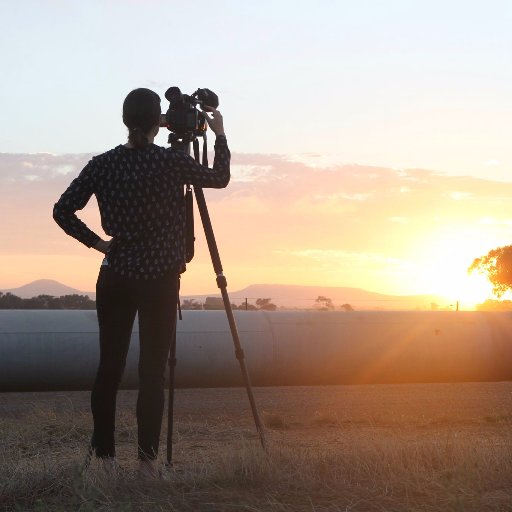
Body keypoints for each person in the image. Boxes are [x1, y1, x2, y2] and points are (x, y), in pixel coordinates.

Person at [53, 88, 230, 478]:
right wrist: (218, 134)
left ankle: (105, 461)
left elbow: (62, 210)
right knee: (153, 371)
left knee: (109, 369)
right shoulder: (170, 164)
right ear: (158, 122)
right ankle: (148, 465)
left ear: (125, 120)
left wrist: (98, 243)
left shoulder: (102, 164)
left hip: (114, 276)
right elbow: (219, 178)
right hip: (160, 280)